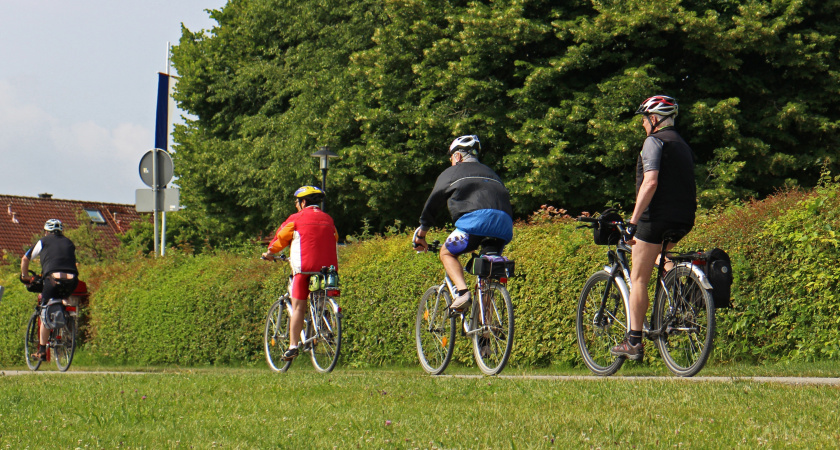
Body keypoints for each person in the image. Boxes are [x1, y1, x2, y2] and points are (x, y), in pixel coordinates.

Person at [611, 95, 697, 360]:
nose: (643, 125)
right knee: (661, 256)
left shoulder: (653, 141)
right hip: (684, 218)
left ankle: (634, 341)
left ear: (655, 119)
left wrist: (633, 222)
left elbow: (650, 182)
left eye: (644, 120)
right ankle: (681, 291)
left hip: (655, 218)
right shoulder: (682, 144)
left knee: (638, 278)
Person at [412, 135, 514, 312]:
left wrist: (422, 233)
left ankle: (463, 293)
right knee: (487, 275)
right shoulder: (491, 173)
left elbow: (433, 202)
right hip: (503, 225)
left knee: (446, 253)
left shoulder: (452, 172)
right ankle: (485, 335)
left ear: (457, 156)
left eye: (451, 158)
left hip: (475, 223)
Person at [262, 186, 338, 361]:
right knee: (319, 296)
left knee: (298, 307)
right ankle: (324, 323)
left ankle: (293, 346)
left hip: (304, 269)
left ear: (303, 202)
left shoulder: (295, 219)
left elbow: (280, 239)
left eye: (297, 202)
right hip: (328, 269)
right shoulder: (328, 219)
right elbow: (334, 237)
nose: (297, 206)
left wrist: (269, 253)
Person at [20, 219, 79, 361]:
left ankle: (41, 351)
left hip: (52, 279)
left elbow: (25, 259)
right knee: (63, 296)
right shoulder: (69, 242)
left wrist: (25, 276)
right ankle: (66, 316)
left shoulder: (43, 241)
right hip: (72, 280)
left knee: (44, 311)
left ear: (46, 231)